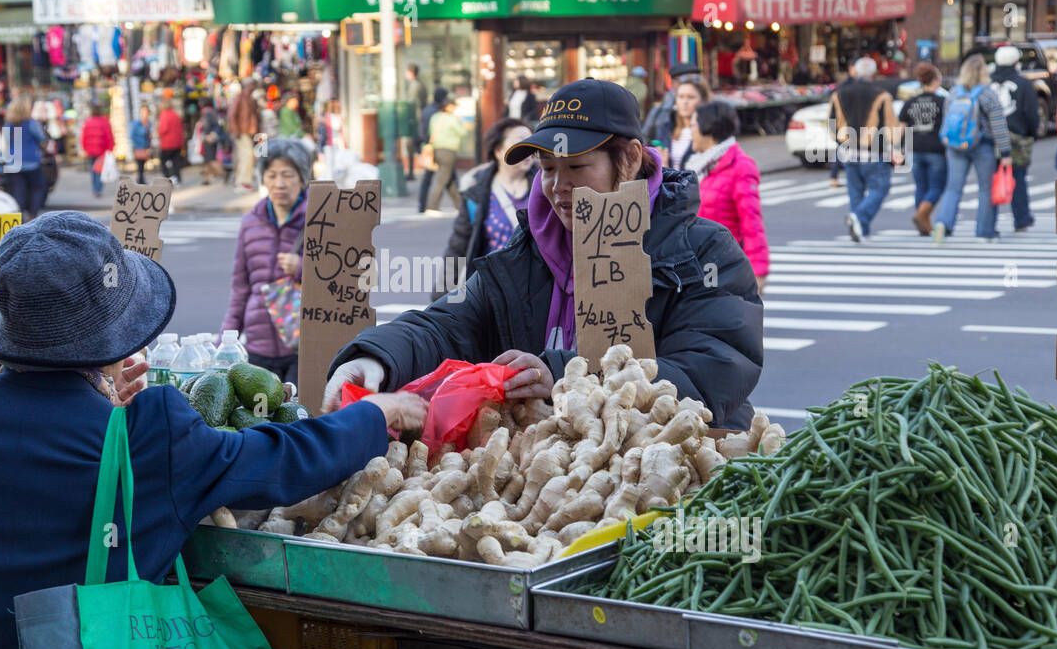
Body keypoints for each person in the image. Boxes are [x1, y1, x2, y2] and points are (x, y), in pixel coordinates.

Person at [0, 212, 425, 649]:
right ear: (114, 338)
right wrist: (375, 414)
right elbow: (282, 462)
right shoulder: (150, 434)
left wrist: (100, 407)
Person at [323, 78, 764, 431]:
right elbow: (447, 321)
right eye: (548, 169)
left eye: (576, 167)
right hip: (555, 471)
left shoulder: (703, 252)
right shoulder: (525, 253)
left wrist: (564, 373)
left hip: (672, 473)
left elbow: (712, 371)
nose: (557, 186)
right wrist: (374, 357)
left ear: (628, 159)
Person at [222, 139, 313, 386]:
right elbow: (240, 287)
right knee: (260, 418)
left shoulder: (319, 220)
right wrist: (226, 340)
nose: (279, 183)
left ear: (303, 179)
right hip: (257, 346)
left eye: (288, 175)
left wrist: (301, 268)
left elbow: (337, 279)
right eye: (272, 175)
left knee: (297, 416)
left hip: (301, 348)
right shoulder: (250, 222)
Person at [439, 117, 538, 296]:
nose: (529, 150)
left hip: (535, 290)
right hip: (491, 292)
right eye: (520, 142)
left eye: (531, 143)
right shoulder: (476, 195)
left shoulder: (546, 187)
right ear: (498, 150)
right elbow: (458, 248)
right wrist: (441, 300)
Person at [688, 102, 769, 295]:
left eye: (693, 125)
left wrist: (757, 272)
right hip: (700, 264)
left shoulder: (740, 166)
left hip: (724, 267)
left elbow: (752, 221)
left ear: (707, 127)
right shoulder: (700, 166)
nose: (690, 130)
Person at [932, 54, 1013, 244]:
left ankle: (943, 223)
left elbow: (947, 120)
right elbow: (999, 125)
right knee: (985, 189)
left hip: (955, 145)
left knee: (953, 187)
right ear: (982, 72)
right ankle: (985, 232)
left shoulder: (953, 93)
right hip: (982, 145)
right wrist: (1005, 152)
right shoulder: (987, 93)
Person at [828, 57, 903, 242]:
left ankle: (861, 229)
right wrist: (895, 148)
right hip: (874, 150)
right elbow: (890, 125)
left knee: (855, 191)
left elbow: (831, 123)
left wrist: (840, 140)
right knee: (880, 187)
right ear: (873, 74)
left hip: (849, 150)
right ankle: (860, 219)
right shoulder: (882, 94)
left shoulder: (839, 93)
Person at [989, 44, 1040, 232]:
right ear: (1015, 62)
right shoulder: (1024, 84)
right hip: (1017, 137)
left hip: (991, 137)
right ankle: (1021, 219)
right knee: (1018, 179)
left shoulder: (988, 83)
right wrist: (1031, 133)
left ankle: (989, 223)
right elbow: (1031, 114)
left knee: (991, 179)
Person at [898, 62, 947, 235]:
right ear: (935, 81)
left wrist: (899, 148)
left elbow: (901, 127)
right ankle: (922, 215)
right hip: (936, 148)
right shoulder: (942, 101)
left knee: (921, 186)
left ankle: (923, 223)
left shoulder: (910, 102)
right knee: (937, 186)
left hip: (915, 148)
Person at [0, 98, 50, 220]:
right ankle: (32, 215)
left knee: (17, 191)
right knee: (38, 188)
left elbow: (4, 143)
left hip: (12, 163)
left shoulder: (8, 124)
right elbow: (42, 139)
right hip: (31, 161)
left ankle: (18, 217)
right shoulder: (31, 123)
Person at [654, 77, 710, 170]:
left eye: (691, 97)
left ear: (702, 101)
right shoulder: (665, 129)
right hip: (670, 183)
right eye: (681, 97)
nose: (685, 102)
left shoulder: (708, 130)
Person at [425, 96, 467, 214]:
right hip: (448, 150)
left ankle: (460, 206)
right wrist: (461, 121)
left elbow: (430, 132)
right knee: (442, 179)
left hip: (437, 149)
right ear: (448, 107)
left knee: (450, 179)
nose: (454, 109)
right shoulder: (452, 119)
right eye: (453, 106)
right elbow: (462, 132)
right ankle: (432, 207)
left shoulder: (435, 117)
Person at [79, 103, 115, 198]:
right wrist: (110, 149)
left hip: (91, 151)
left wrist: (85, 148)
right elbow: (109, 137)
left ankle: (95, 188)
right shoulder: (104, 122)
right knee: (100, 170)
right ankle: (98, 189)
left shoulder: (87, 122)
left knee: (93, 169)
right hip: (101, 151)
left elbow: (83, 137)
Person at [229, 81, 259, 190]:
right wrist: (236, 130)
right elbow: (232, 115)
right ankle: (243, 181)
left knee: (247, 156)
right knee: (246, 156)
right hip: (242, 131)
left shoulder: (250, 99)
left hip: (248, 132)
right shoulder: (240, 98)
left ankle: (244, 181)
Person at [157, 100, 185, 185]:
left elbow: (163, 129)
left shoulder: (164, 115)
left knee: (163, 161)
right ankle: (178, 178)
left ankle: (167, 178)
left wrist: (158, 132)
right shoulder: (176, 115)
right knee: (176, 162)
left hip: (167, 143)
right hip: (177, 143)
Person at [128, 104, 152, 185]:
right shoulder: (136, 124)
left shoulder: (149, 124)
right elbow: (132, 135)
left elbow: (149, 136)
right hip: (138, 147)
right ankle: (140, 180)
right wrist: (141, 142)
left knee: (143, 165)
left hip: (146, 147)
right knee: (140, 165)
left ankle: (141, 179)